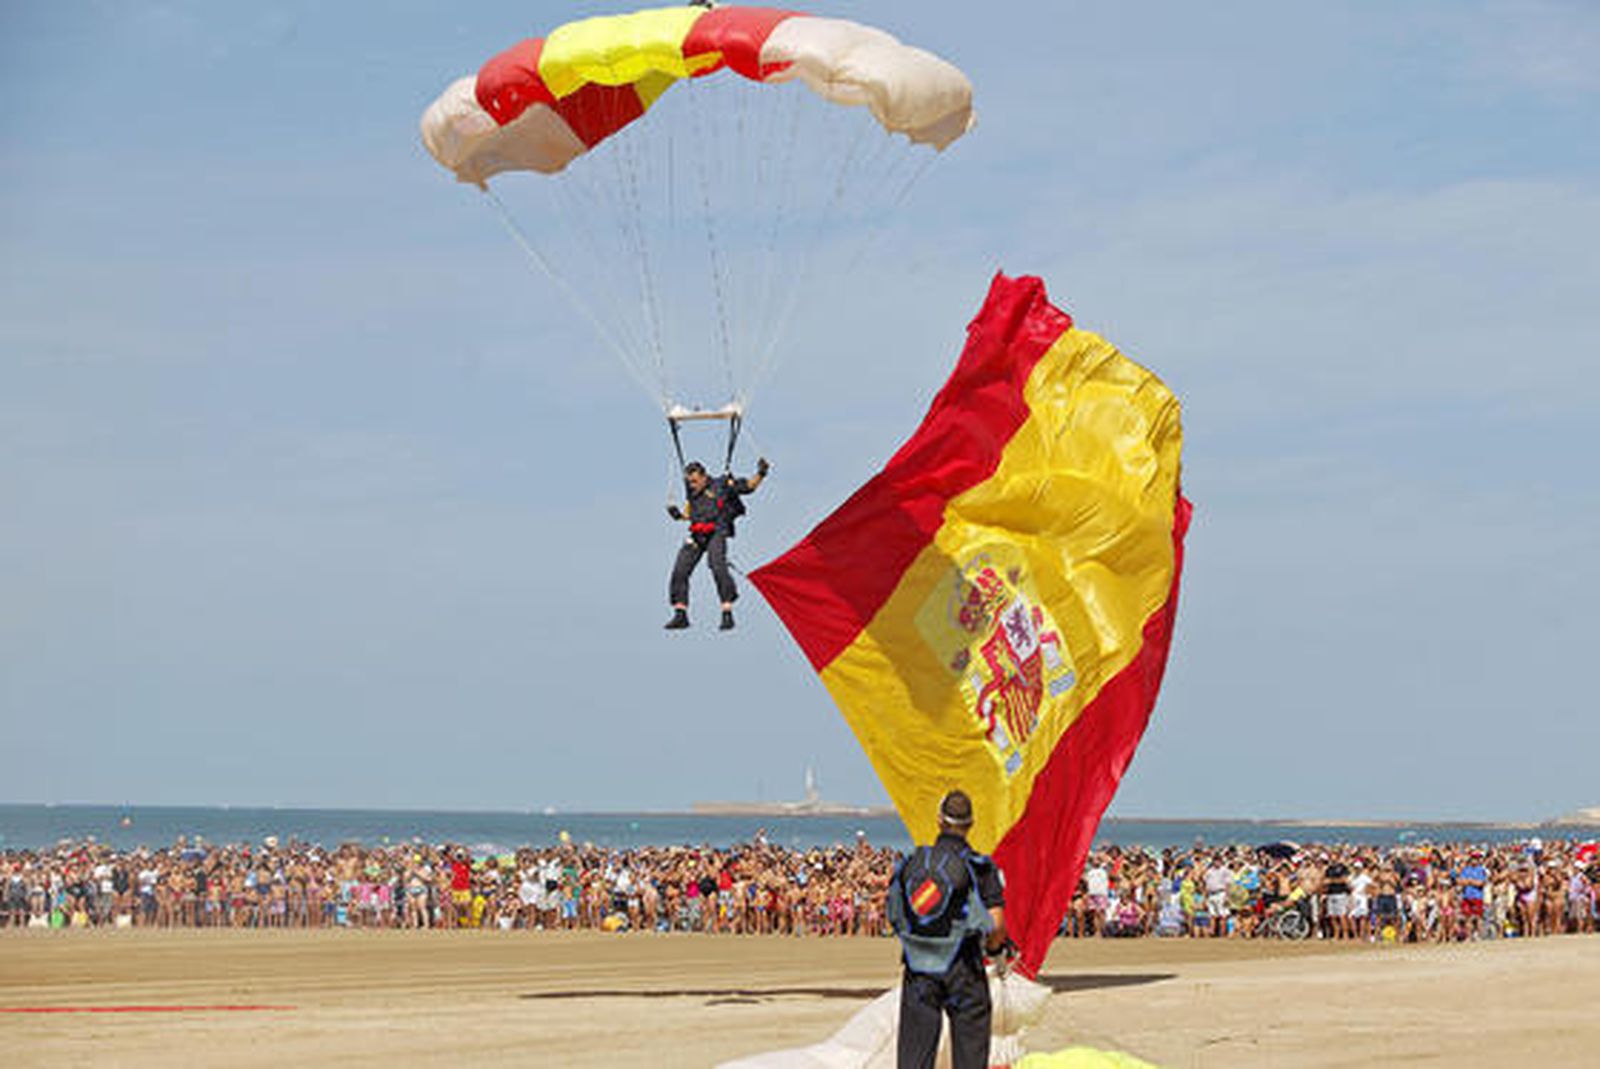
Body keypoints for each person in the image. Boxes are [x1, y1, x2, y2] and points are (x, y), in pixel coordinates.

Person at [886, 790, 1007, 1069]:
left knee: (915, 1057)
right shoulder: (979, 866)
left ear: (939, 820)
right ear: (971, 824)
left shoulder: (913, 863)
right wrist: (995, 951)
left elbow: (894, 912)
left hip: (919, 966)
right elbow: (997, 925)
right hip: (964, 966)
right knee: (970, 1055)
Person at [664, 458, 768, 630]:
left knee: (717, 565)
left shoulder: (722, 485)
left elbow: (749, 487)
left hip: (717, 532)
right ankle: (680, 614)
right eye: (690, 482)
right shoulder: (692, 491)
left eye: (695, 481)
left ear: (705, 477)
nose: (692, 485)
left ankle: (727, 613)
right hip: (697, 534)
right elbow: (695, 514)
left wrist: (761, 473)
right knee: (680, 570)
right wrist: (679, 516)